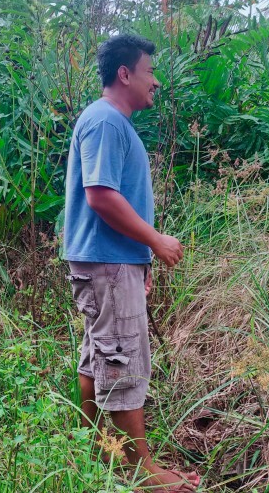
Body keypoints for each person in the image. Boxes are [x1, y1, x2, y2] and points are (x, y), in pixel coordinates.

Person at [63, 34, 199, 492]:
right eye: (149, 72)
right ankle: (142, 474)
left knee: (98, 357)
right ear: (125, 74)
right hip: (107, 262)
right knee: (121, 361)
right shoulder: (104, 121)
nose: (155, 82)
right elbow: (100, 196)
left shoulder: (111, 122)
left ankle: (97, 451)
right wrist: (156, 242)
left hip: (112, 262)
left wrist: (137, 264)